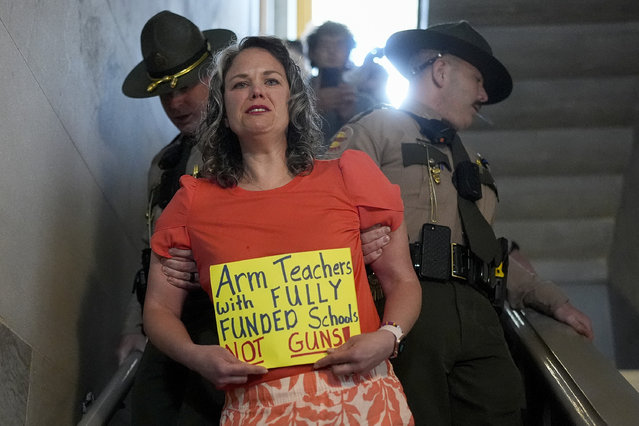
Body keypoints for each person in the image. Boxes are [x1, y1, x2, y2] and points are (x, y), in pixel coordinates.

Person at [326, 21, 594, 425]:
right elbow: (319, 214)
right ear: (440, 71)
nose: (484, 95)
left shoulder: (473, 162)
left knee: (504, 408)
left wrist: (552, 299)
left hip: (481, 315)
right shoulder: (375, 130)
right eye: (478, 79)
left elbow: (485, 251)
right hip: (405, 314)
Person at [143, 35, 421, 424]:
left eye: (271, 80)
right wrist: (196, 356)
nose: (256, 90)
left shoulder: (350, 177)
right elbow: (157, 308)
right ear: (224, 110)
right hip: (256, 408)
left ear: (293, 100)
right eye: (240, 83)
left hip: (362, 398)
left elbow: (403, 280)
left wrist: (388, 337)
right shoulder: (191, 202)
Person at [119, 10, 236, 424]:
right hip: (168, 325)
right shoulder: (164, 164)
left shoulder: (249, 142)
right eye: (163, 93)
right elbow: (149, 256)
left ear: (213, 75)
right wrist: (135, 327)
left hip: (237, 314)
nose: (175, 103)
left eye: (185, 87)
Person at [305, 21, 377, 145]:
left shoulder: (362, 100)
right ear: (313, 52)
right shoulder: (294, 94)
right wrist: (311, 110)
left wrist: (351, 116)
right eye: (325, 45)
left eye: (339, 45)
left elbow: (374, 142)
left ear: (348, 52)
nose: (332, 51)